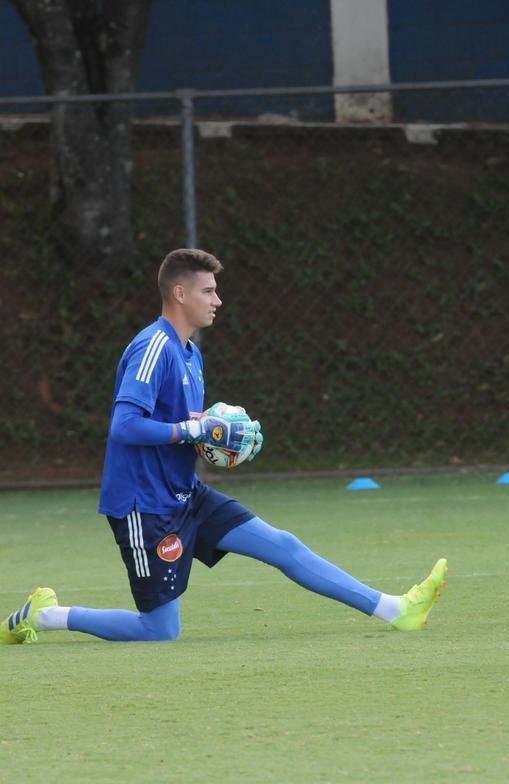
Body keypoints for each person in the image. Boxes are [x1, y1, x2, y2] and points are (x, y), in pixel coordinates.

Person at [3, 248, 447, 644]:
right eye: (209, 291)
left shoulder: (191, 354)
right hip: (145, 506)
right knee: (158, 630)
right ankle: (48, 616)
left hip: (185, 494)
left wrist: (218, 436)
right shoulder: (153, 347)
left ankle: (396, 609)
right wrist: (190, 431)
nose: (218, 301)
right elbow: (125, 426)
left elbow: (182, 427)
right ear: (179, 293)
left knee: (283, 545)